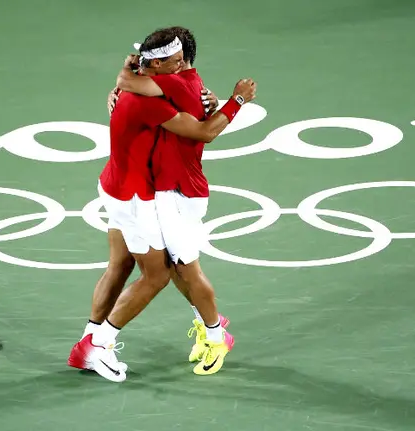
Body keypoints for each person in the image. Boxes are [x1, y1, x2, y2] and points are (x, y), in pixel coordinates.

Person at [67, 29, 257, 383]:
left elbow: (134, 82)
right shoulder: (155, 93)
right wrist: (236, 101)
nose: (181, 65)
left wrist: (122, 83)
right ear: (156, 64)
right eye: (175, 60)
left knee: (125, 264)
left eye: (183, 59)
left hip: (127, 188)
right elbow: (203, 131)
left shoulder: (146, 85)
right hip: (141, 196)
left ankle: (91, 340)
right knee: (161, 273)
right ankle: (97, 346)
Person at [115, 26, 239, 376]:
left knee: (187, 268)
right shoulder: (186, 83)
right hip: (167, 193)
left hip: (180, 195)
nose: (150, 66)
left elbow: (128, 83)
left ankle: (217, 336)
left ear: (178, 61)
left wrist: (236, 101)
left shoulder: (175, 84)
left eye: (163, 60)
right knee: (176, 266)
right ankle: (207, 321)